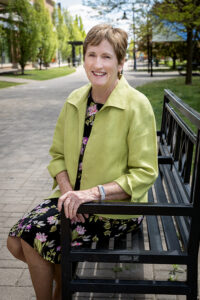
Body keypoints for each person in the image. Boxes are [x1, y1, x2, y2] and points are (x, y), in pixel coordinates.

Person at [7, 24, 158, 300]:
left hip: (113, 209)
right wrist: (69, 193)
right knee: (14, 242)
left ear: (121, 62)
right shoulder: (75, 100)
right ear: (84, 58)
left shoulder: (138, 105)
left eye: (106, 56)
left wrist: (91, 194)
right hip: (72, 198)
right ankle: (63, 290)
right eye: (91, 54)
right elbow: (57, 155)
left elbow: (145, 173)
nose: (97, 64)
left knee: (32, 237)